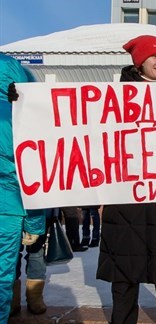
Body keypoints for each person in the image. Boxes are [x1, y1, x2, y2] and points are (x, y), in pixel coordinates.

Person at [96, 35, 156, 324]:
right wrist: (22, 103)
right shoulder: (114, 98)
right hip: (126, 202)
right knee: (124, 279)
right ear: (139, 62)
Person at [0, 54, 46, 322]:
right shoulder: (21, 119)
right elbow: (31, 175)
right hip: (8, 209)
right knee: (2, 277)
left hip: (8, 206)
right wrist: (36, 223)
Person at [11, 209, 53, 316]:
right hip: (10, 210)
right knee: (11, 253)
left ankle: (35, 296)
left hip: (39, 210)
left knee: (37, 252)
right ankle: (11, 298)